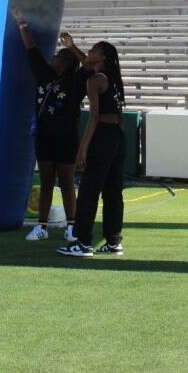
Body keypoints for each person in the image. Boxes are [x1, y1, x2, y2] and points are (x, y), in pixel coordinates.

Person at [15, 13, 90, 242]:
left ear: (65, 63)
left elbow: (88, 65)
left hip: (66, 139)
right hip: (44, 138)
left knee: (67, 183)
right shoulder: (44, 75)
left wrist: (72, 46)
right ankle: (42, 226)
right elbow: (32, 50)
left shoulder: (76, 83)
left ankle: (72, 226)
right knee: (47, 183)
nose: (53, 58)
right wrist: (22, 24)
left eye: (58, 56)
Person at [57, 33, 127, 257]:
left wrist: (83, 148)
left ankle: (83, 242)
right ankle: (114, 241)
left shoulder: (94, 80)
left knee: (89, 189)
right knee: (113, 190)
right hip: (118, 136)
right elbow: (87, 62)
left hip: (103, 135)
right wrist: (72, 46)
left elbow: (94, 117)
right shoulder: (113, 79)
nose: (89, 52)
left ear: (102, 56)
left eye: (94, 49)